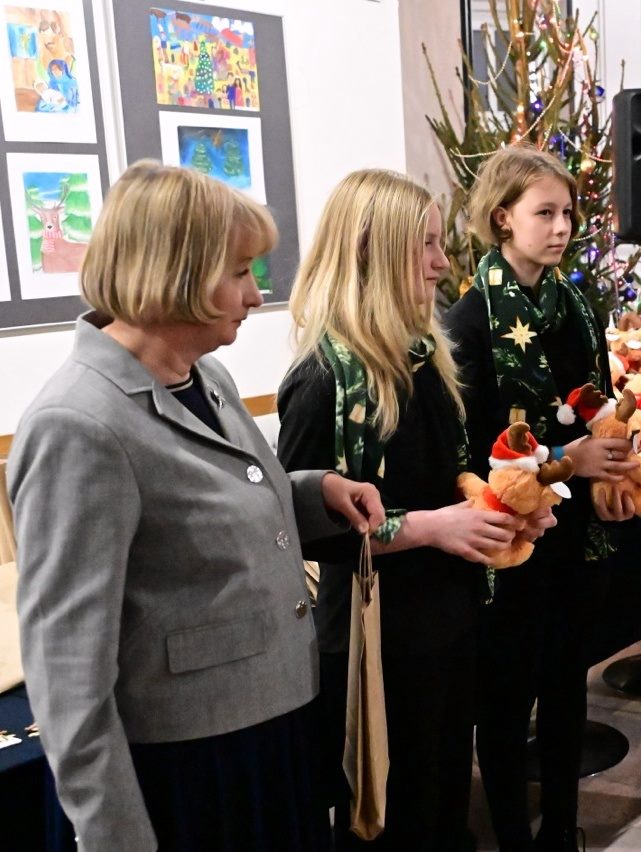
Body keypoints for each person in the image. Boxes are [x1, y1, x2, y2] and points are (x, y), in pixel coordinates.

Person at [7, 160, 385, 852]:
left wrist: (314, 494)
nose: (256, 294)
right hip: (189, 769)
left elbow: (216, 509)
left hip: (269, 732)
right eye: (239, 272)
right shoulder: (77, 425)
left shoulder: (204, 375)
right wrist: (116, 836)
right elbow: (68, 675)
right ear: (172, 273)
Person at [276, 170, 535, 850]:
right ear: (372, 250)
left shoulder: (425, 359)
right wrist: (434, 528)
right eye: (424, 244)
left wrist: (501, 511)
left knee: (444, 806)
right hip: (375, 639)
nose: (441, 263)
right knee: (391, 821)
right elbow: (305, 528)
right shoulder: (323, 379)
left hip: (446, 618)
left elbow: (448, 477)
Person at [446, 143, 632, 852]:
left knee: (565, 685)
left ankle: (559, 827)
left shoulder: (575, 306)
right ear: (502, 218)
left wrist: (609, 473)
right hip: (511, 539)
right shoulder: (468, 322)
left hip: (576, 530)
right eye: (544, 213)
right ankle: (512, 837)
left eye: (567, 214)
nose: (561, 228)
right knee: (504, 697)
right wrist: (565, 463)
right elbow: (472, 455)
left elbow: (597, 403)